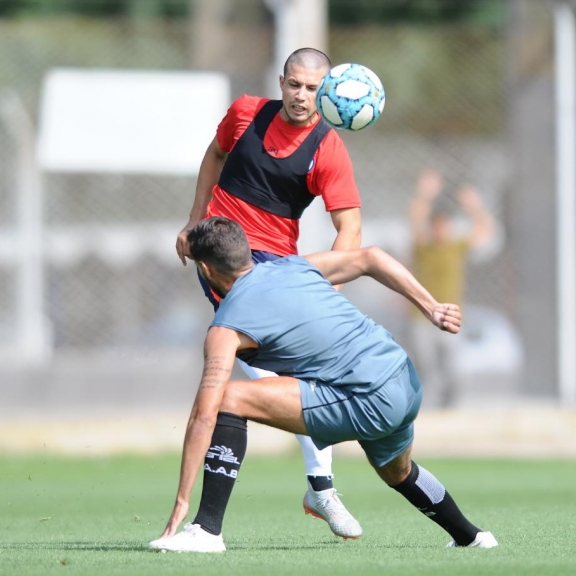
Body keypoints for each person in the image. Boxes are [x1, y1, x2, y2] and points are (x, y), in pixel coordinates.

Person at [149, 216, 498, 553]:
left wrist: (181, 501)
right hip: (402, 375)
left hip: (370, 397)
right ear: (245, 250)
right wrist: (432, 307)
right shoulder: (292, 266)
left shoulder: (225, 327)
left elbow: (204, 416)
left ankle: (206, 529)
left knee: (228, 398)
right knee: (398, 471)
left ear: (207, 270)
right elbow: (371, 257)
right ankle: (471, 536)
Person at [175, 47, 363, 537]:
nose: (302, 97)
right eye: (294, 85)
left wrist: (320, 285)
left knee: (288, 375)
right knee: (275, 373)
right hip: (226, 263)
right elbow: (215, 155)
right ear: (281, 82)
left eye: (313, 89)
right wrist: (196, 221)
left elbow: (350, 230)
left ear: (325, 94)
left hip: (277, 270)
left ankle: (311, 490)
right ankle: (318, 488)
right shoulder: (244, 113)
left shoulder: (327, 149)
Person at [407, 169, 495, 408]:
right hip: (422, 314)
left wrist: (474, 206)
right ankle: (426, 405)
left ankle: (451, 404)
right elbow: (415, 220)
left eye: (444, 225)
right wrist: (424, 195)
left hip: (450, 314)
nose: (440, 230)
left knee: (452, 364)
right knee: (425, 364)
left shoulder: (456, 247)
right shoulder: (424, 246)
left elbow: (485, 229)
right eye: (437, 225)